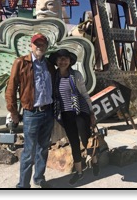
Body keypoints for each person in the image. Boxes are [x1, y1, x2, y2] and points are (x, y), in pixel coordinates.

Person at [5, 33, 55, 188]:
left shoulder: (49, 65)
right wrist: (13, 111)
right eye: (37, 44)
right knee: (28, 152)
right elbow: (11, 88)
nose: (39, 46)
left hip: (48, 112)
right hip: (31, 114)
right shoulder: (21, 63)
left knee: (43, 149)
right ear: (31, 46)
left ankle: (39, 179)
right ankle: (23, 186)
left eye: (42, 44)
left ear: (46, 47)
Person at [49, 48, 99, 186]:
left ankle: (94, 161)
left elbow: (84, 93)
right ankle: (79, 172)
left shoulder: (75, 75)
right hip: (65, 114)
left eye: (65, 58)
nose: (63, 61)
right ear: (56, 61)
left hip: (80, 112)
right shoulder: (54, 76)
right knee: (73, 142)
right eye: (60, 58)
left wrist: (91, 112)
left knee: (85, 138)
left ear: (70, 61)